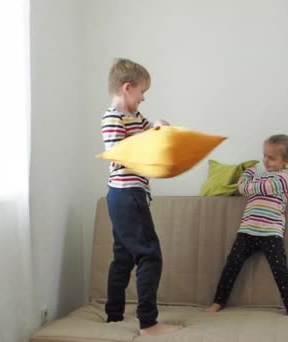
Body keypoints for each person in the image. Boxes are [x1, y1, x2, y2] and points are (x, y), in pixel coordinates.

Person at [101, 58, 181, 336]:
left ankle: (114, 316)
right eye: (141, 93)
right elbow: (118, 153)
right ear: (127, 88)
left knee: (123, 256)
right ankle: (148, 322)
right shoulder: (114, 117)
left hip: (130, 194)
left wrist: (160, 127)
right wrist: (149, 140)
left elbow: (150, 136)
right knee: (150, 255)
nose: (143, 98)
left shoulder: (136, 118)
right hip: (125, 194)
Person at [205, 134, 288, 316]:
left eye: (271, 158)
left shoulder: (285, 179)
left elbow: (247, 188)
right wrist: (250, 175)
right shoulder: (262, 177)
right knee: (231, 265)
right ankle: (218, 302)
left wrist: (250, 177)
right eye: (264, 156)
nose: (265, 161)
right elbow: (243, 187)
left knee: (280, 270)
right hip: (247, 230)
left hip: (271, 233)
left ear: (287, 160)